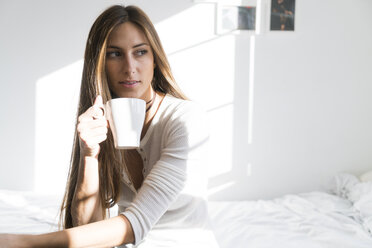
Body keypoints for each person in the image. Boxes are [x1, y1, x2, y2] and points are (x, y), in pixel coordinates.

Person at [0, 5, 218, 248]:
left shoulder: (185, 119)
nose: (129, 67)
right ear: (100, 63)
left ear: (155, 60)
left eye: (140, 52)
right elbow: (87, 227)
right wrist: (89, 155)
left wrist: (23, 242)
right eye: (115, 54)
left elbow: (135, 223)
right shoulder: (103, 120)